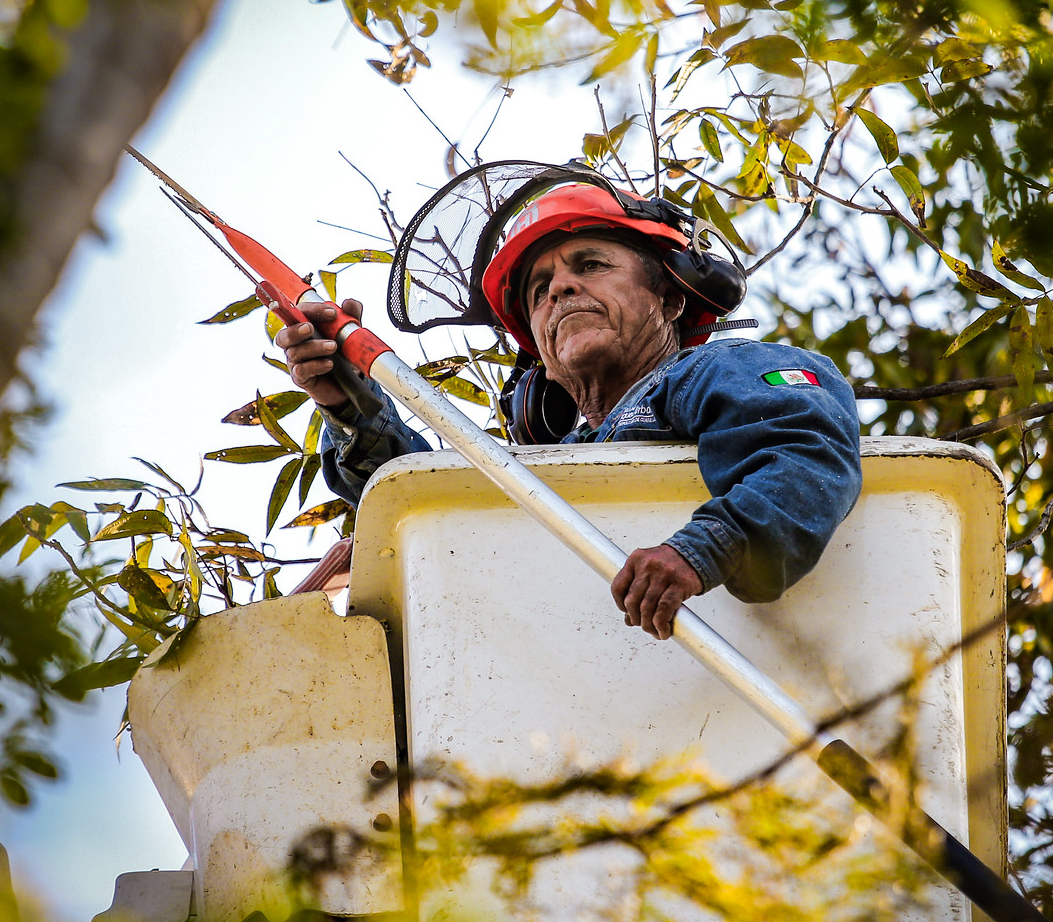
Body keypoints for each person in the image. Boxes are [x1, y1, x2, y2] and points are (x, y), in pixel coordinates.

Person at [277, 180, 862, 641]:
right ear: (541, 360)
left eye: (590, 264)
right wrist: (348, 401)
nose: (558, 289)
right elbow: (427, 505)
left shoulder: (706, 372)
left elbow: (805, 448)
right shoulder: (553, 467)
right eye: (539, 290)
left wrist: (704, 547)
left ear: (671, 295)